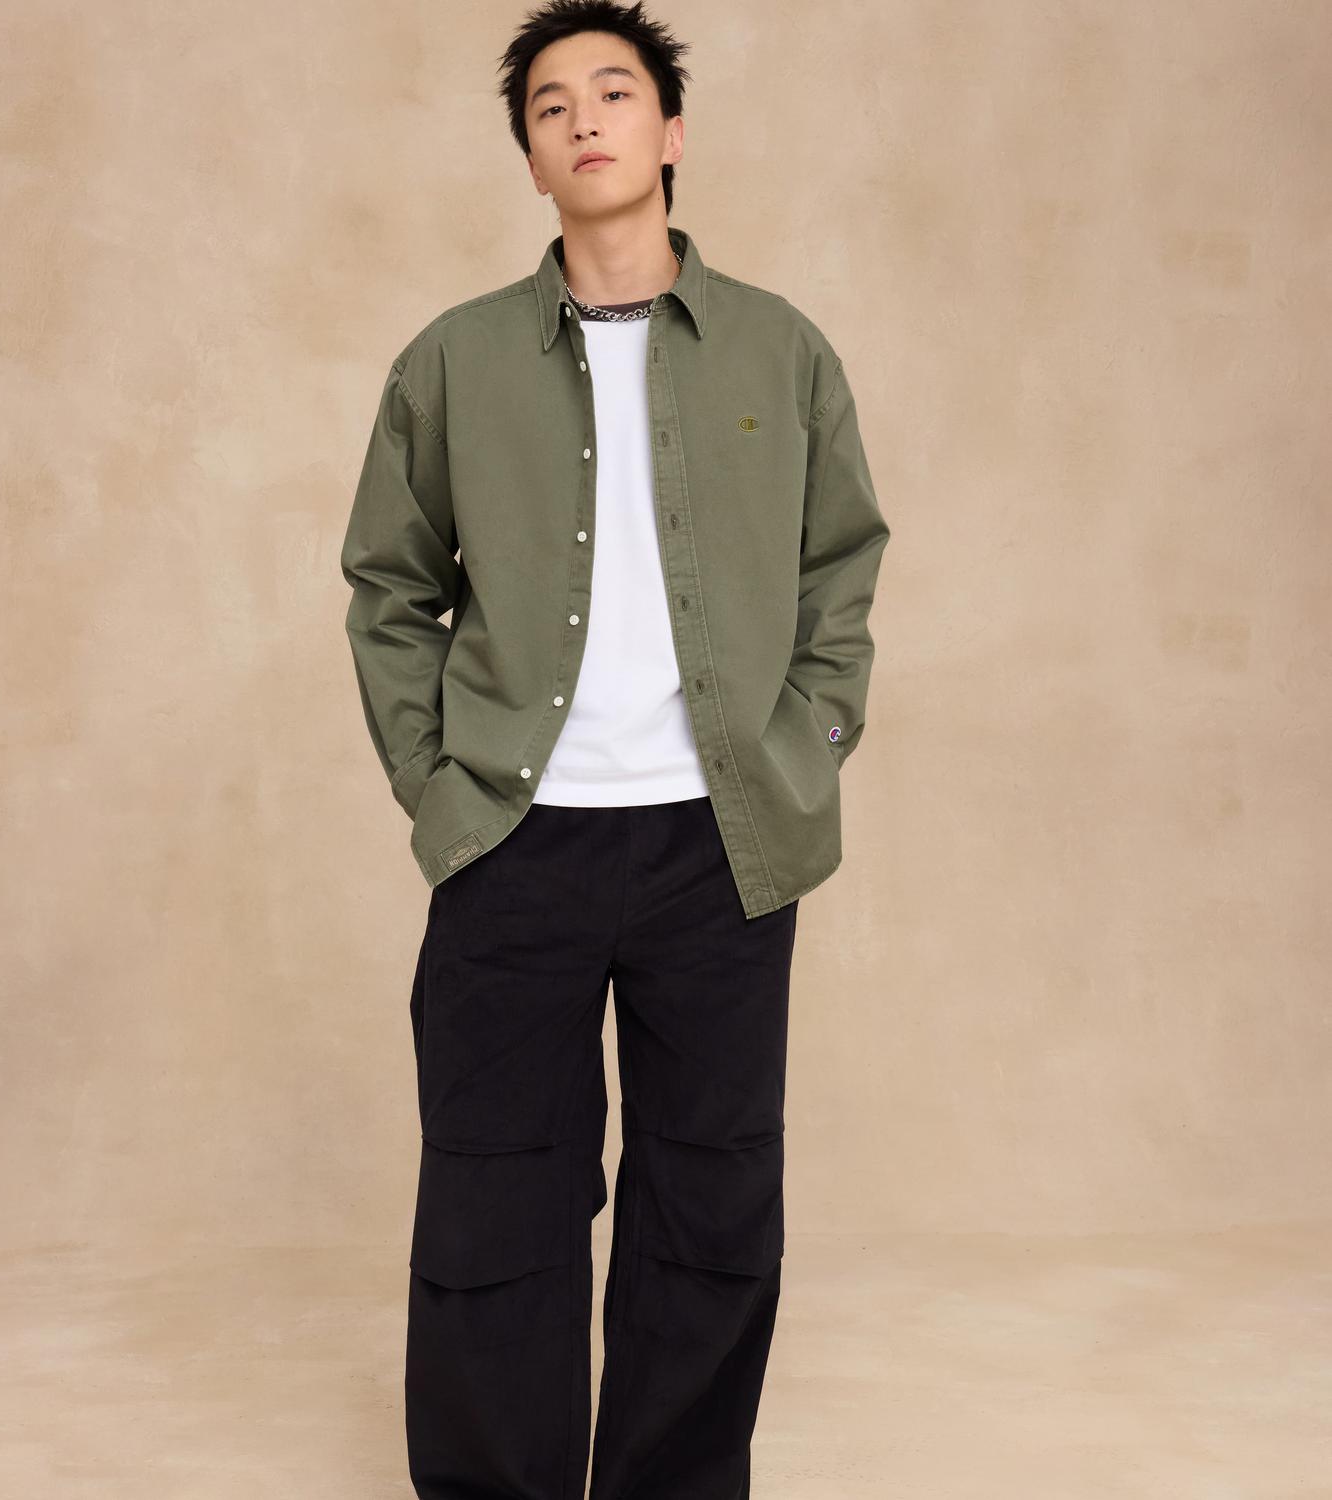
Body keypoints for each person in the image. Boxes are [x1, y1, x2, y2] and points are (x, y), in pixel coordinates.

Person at [340, 3, 891, 1495]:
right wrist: (437, 785)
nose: (583, 118)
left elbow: (842, 568)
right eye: (549, 106)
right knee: (495, 1201)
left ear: (671, 130)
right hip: (516, 840)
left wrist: (809, 741)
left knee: (712, 1200)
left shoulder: (782, 350)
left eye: (615, 91)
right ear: (531, 161)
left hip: (724, 842)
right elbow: (388, 587)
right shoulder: (453, 361)